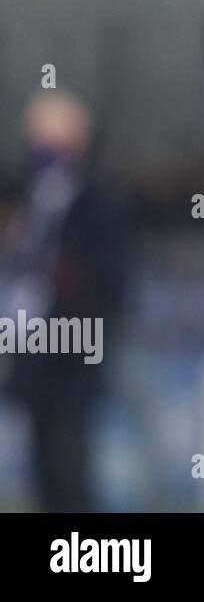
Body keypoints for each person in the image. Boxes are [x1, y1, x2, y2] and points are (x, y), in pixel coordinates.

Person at [0, 91, 131, 511]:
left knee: (68, 469)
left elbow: (110, 282)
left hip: (73, 355)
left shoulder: (98, 207)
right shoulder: (32, 204)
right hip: (34, 356)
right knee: (43, 471)